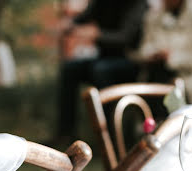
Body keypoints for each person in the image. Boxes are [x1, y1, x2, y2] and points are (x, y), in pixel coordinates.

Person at [57, 0, 149, 140]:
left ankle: (108, 135)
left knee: (101, 70)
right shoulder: (102, 2)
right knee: (70, 69)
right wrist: (70, 24)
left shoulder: (137, 3)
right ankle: (66, 133)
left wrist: (97, 34)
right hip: (103, 59)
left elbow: (125, 38)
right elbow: (85, 17)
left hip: (131, 61)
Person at [132, 0, 192, 106]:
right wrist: (154, 55)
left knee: (169, 93)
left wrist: (170, 57)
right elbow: (144, 48)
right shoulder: (153, 16)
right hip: (158, 77)